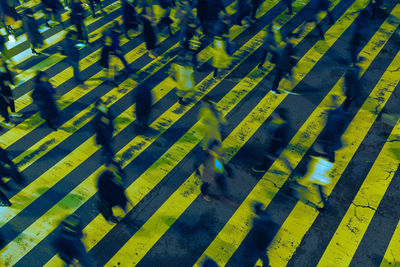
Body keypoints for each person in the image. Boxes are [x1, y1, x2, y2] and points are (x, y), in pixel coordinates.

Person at [252, 108, 292, 173]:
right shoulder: (282, 122)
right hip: (279, 143)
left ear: (278, 115)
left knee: (270, 155)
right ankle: (290, 170)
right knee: (281, 156)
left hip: (276, 144)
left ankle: (263, 167)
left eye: (274, 113)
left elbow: (272, 132)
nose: (272, 114)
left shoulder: (278, 123)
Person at [239, 202, 278, 266]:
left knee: (249, 258)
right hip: (260, 243)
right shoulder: (263, 220)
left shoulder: (258, 221)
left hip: (257, 244)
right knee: (261, 254)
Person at [0, 59, 22, 127]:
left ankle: (13, 112)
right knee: (3, 107)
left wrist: (12, 82)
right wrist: (3, 83)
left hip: (7, 88)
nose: (2, 61)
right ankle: (7, 121)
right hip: (1, 92)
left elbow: (8, 75)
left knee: (11, 100)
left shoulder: (4, 66)